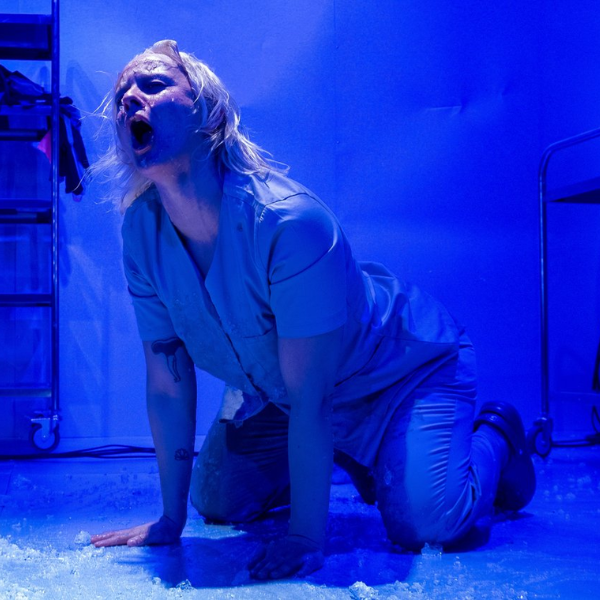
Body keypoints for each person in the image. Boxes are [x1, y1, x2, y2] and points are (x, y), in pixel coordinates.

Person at [89, 40, 536, 580]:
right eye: (121, 94)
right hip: (286, 387)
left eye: (154, 85)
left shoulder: (289, 223)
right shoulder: (142, 231)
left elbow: (313, 397)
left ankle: (498, 437)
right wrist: (170, 518)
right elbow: (167, 383)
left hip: (400, 374)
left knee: (425, 525)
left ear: (210, 112)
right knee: (220, 500)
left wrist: (305, 535)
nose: (129, 99)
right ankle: (357, 456)